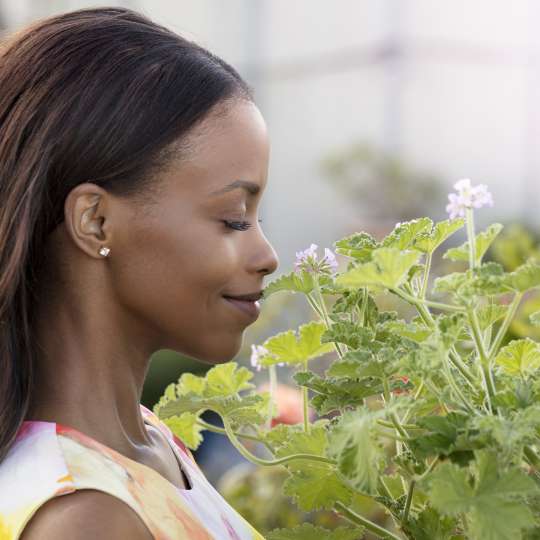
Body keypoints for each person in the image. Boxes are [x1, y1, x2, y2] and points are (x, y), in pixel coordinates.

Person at [0, 6, 279, 539]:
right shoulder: (84, 516)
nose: (266, 255)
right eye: (233, 219)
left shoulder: (146, 443)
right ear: (96, 221)